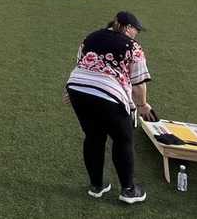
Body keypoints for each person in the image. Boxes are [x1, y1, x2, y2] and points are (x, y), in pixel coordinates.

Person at [65, 11, 153, 205]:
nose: (136, 34)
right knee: (123, 140)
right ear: (127, 27)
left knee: (93, 136)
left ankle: (97, 186)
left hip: (77, 89)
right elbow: (138, 83)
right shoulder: (133, 46)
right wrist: (143, 105)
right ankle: (129, 190)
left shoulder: (91, 37)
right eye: (136, 30)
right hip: (109, 93)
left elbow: (81, 63)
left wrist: (72, 92)